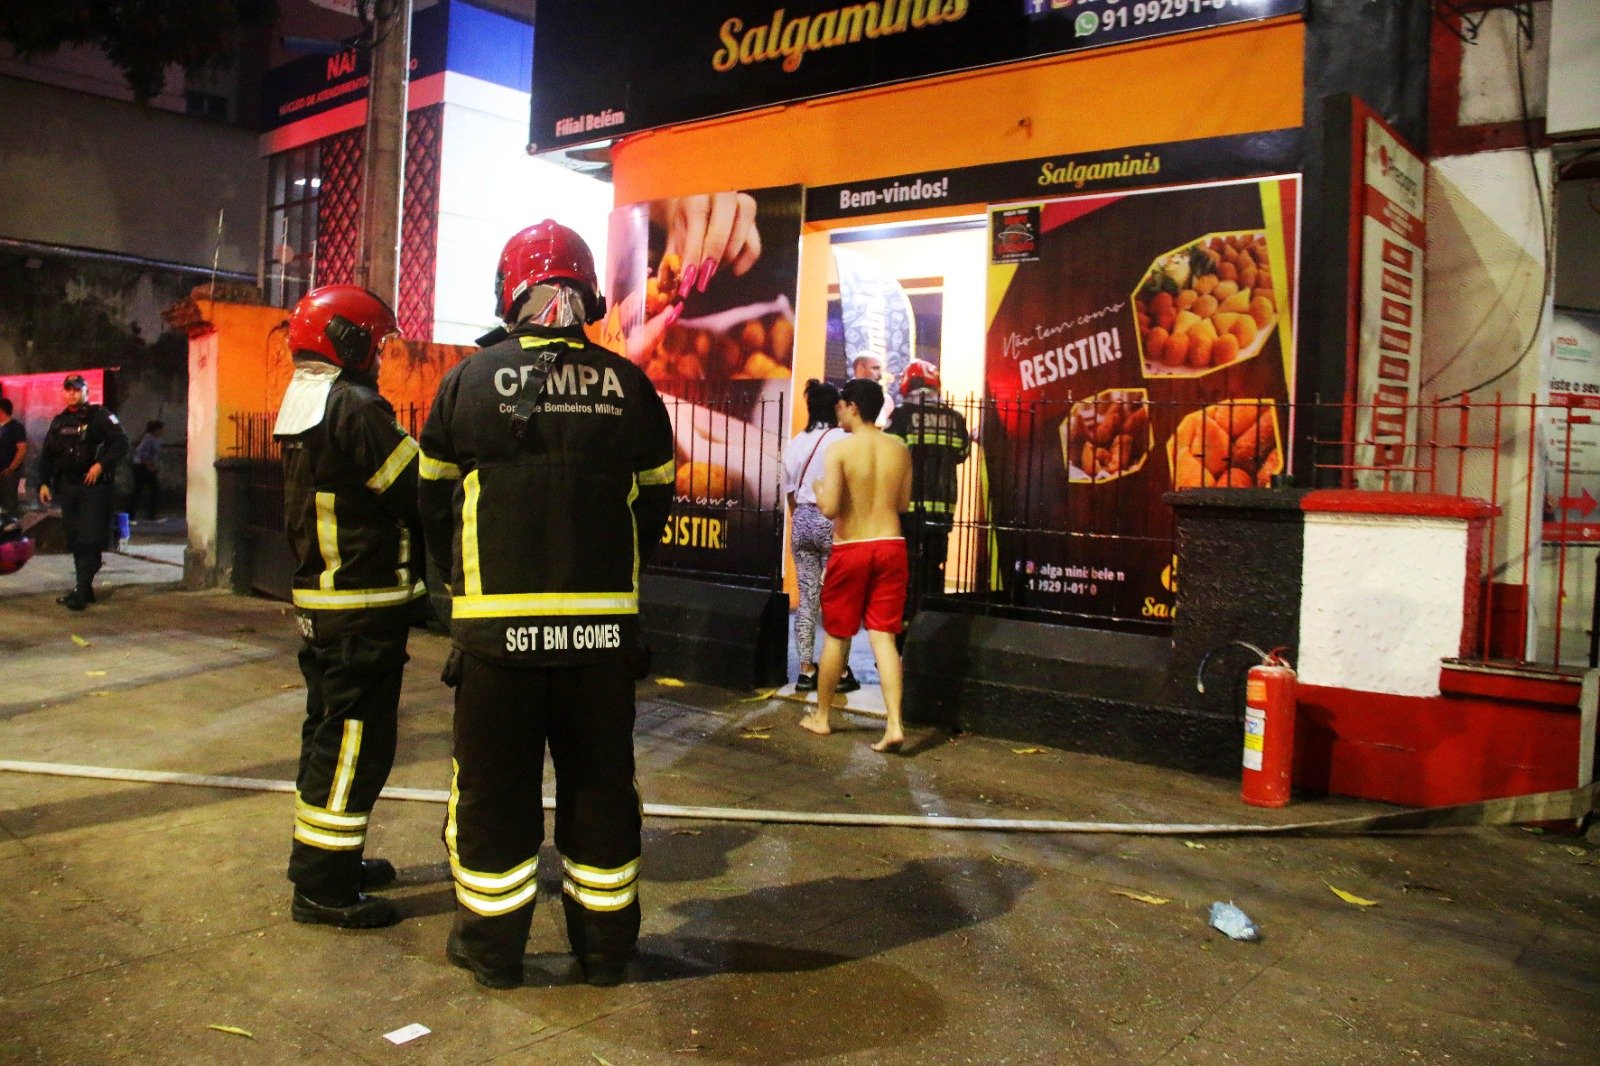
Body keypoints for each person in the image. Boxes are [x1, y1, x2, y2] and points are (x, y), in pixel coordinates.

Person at [419, 220, 675, 990]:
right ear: (588, 294)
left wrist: (464, 587)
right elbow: (654, 501)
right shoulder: (629, 385)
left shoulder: (466, 382)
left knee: (493, 795)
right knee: (600, 791)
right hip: (602, 643)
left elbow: (432, 501)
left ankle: (494, 953)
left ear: (511, 293)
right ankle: (604, 954)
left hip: (496, 642)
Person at [273, 284, 424, 931]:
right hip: (361, 605)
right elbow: (413, 487)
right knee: (356, 741)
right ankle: (324, 887)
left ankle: (329, 856)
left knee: (327, 733)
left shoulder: (305, 399)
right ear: (351, 341)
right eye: (377, 342)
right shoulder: (356, 405)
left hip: (324, 602)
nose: (382, 356)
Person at [800, 378, 912, 753]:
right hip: (892, 545)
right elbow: (903, 505)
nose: (838, 413)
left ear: (853, 407)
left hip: (853, 548)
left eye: (841, 406)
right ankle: (894, 723)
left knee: (837, 633)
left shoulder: (840, 450)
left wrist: (817, 491)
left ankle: (821, 717)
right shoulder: (899, 449)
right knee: (884, 636)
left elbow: (831, 508)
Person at [782, 380, 859, 695]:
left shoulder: (796, 442)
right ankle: (839, 671)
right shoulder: (844, 439)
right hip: (832, 521)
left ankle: (805, 671)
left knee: (807, 599)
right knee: (839, 598)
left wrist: (800, 519)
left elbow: (789, 494)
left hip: (801, 519)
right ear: (835, 407)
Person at [885, 360, 970, 629]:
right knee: (935, 566)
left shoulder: (901, 416)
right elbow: (961, 454)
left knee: (908, 567)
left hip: (909, 506)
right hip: (943, 507)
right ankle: (931, 623)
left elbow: (891, 457)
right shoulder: (956, 418)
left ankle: (908, 623)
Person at [38, 375, 128, 610]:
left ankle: (81, 589)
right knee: (75, 537)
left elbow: (121, 443)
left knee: (90, 537)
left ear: (86, 391)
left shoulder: (100, 416)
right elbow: (47, 454)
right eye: (68, 390)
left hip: (94, 488)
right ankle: (84, 589)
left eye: (77, 390)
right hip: (69, 486)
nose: (72, 394)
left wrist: (100, 466)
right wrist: (43, 483)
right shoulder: (59, 422)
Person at [128, 420, 164, 521]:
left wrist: (155, 465)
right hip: (141, 466)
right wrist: (149, 465)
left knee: (154, 489)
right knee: (139, 490)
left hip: (149, 466)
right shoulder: (148, 438)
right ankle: (131, 513)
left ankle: (151, 514)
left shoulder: (158, 439)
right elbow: (141, 454)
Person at [851, 353, 895, 428]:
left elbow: (879, 427)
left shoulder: (886, 400)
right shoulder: (842, 398)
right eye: (875, 368)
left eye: (880, 370)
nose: (880, 375)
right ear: (860, 369)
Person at [0, 397, 26, 509]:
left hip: (9, 473)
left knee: (9, 500)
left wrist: (11, 468)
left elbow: (22, 449)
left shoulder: (15, 427)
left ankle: (12, 522)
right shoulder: (2, 427)